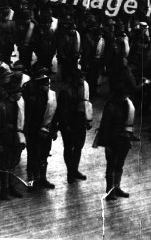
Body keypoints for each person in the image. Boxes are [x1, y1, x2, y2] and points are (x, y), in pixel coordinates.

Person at [96, 59, 136, 200]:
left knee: (119, 165)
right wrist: (107, 144)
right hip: (114, 140)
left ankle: (117, 187)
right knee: (111, 166)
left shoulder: (125, 104)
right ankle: (110, 190)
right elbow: (105, 126)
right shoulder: (112, 107)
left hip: (123, 139)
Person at [56, 69, 92, 184]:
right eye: (80, 78)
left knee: (78, 148)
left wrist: (87, 120)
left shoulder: (82, 88)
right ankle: (70, 172)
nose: (83, 80)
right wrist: (65, 126)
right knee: (68, 148)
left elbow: (85, 104)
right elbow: (62, 111)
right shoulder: (65, 91)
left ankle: (74, 170)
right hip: (69, 125)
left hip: (80, 122)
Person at [23, 69, 57, 189]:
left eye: (48, 85)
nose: (47, 87)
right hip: (34, 133)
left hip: (47, 132)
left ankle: (42, 178)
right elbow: (29, 117)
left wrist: (54, 130)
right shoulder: (33, 99)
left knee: (44, 156)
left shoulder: (51, 97)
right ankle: (31, 181)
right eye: (44, 85)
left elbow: (54, 115)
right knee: (32, 157)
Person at [0, 72, 26, 200]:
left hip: (15, 140)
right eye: (18, 93)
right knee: (5, 167)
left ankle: (12, 187)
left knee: (14, 164)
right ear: (13, 94)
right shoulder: (2, 106)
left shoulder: (17, 104)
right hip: (6, 140)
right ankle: (4, 191)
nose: (20, 95)